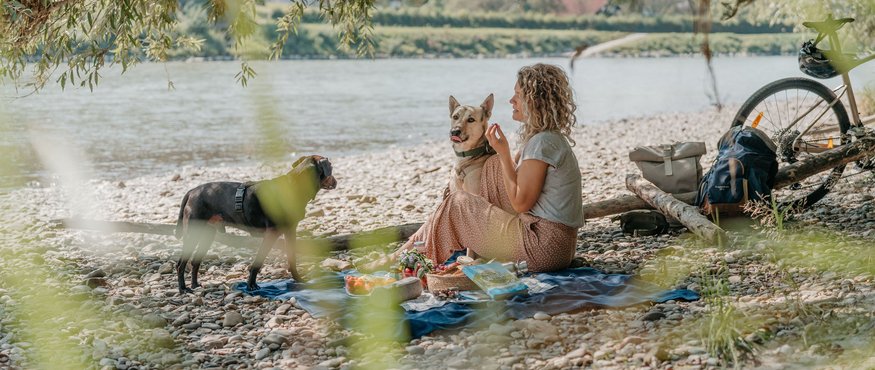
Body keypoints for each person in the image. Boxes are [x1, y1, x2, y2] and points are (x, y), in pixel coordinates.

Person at [371, 63, 584, 273]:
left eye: (517, 95)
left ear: (534, 101)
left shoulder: (543, 143)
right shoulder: (546, 139)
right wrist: (500, 156)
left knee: (457, 203)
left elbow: (520, 203)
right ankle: (410, 251)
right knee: (488, 169)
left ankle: (406, 258)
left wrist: (503, 152)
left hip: (542, 247)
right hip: (553, 244)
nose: (511, 100)